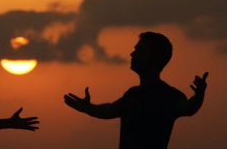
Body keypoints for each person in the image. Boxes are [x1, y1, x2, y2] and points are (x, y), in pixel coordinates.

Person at [64, 32, 208, 149]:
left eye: (140, 50)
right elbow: (109, 111)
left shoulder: (168, 96)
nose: (132, 54)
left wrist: (199, 95)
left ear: (157, 58)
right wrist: (86, 107)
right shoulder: (133, 94)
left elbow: (188, 108)